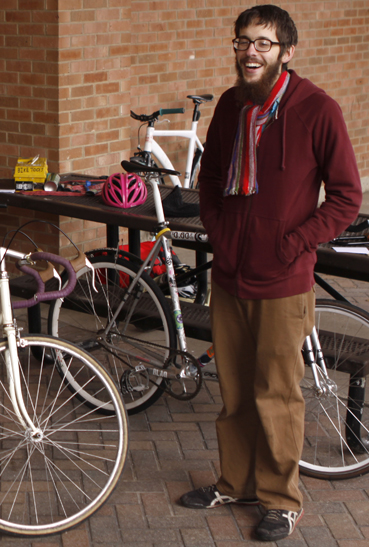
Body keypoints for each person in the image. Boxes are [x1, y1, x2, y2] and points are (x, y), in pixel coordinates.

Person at [179, 4, 362, 542]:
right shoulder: (234, 105)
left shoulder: (317, 109)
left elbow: (347, 197)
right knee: (234, 390)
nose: (250, 51)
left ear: (287, 51)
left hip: (283, 279)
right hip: (231, 271)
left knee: (277, 394)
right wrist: (218, 229)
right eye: (243, 42)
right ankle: (235, 481)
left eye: (263, 43)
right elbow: (210, 176)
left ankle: (281, 500)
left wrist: (294, 242)